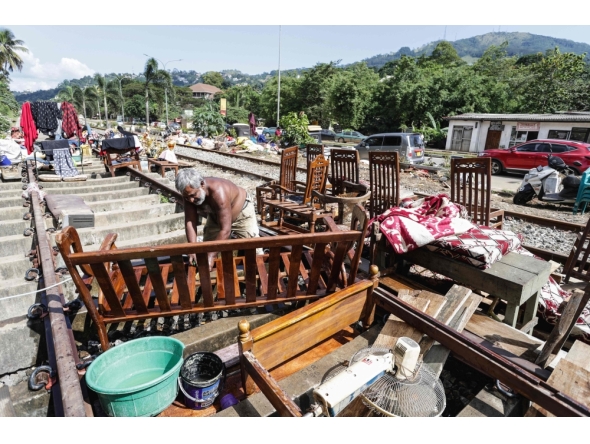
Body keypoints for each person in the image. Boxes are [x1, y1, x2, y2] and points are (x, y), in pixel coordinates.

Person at [175, 169, 260, 270]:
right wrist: (192, 249)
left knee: (255, 248)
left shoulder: (219, 192)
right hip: (216, 215)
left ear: (202, 184)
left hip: (242, 214)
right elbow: (190, 221)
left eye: (193, 195)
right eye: (187, 197)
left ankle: (263, 277)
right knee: (207, 248)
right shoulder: (189, 193)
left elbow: (225, 230)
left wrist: (212, 256)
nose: (191, 200)